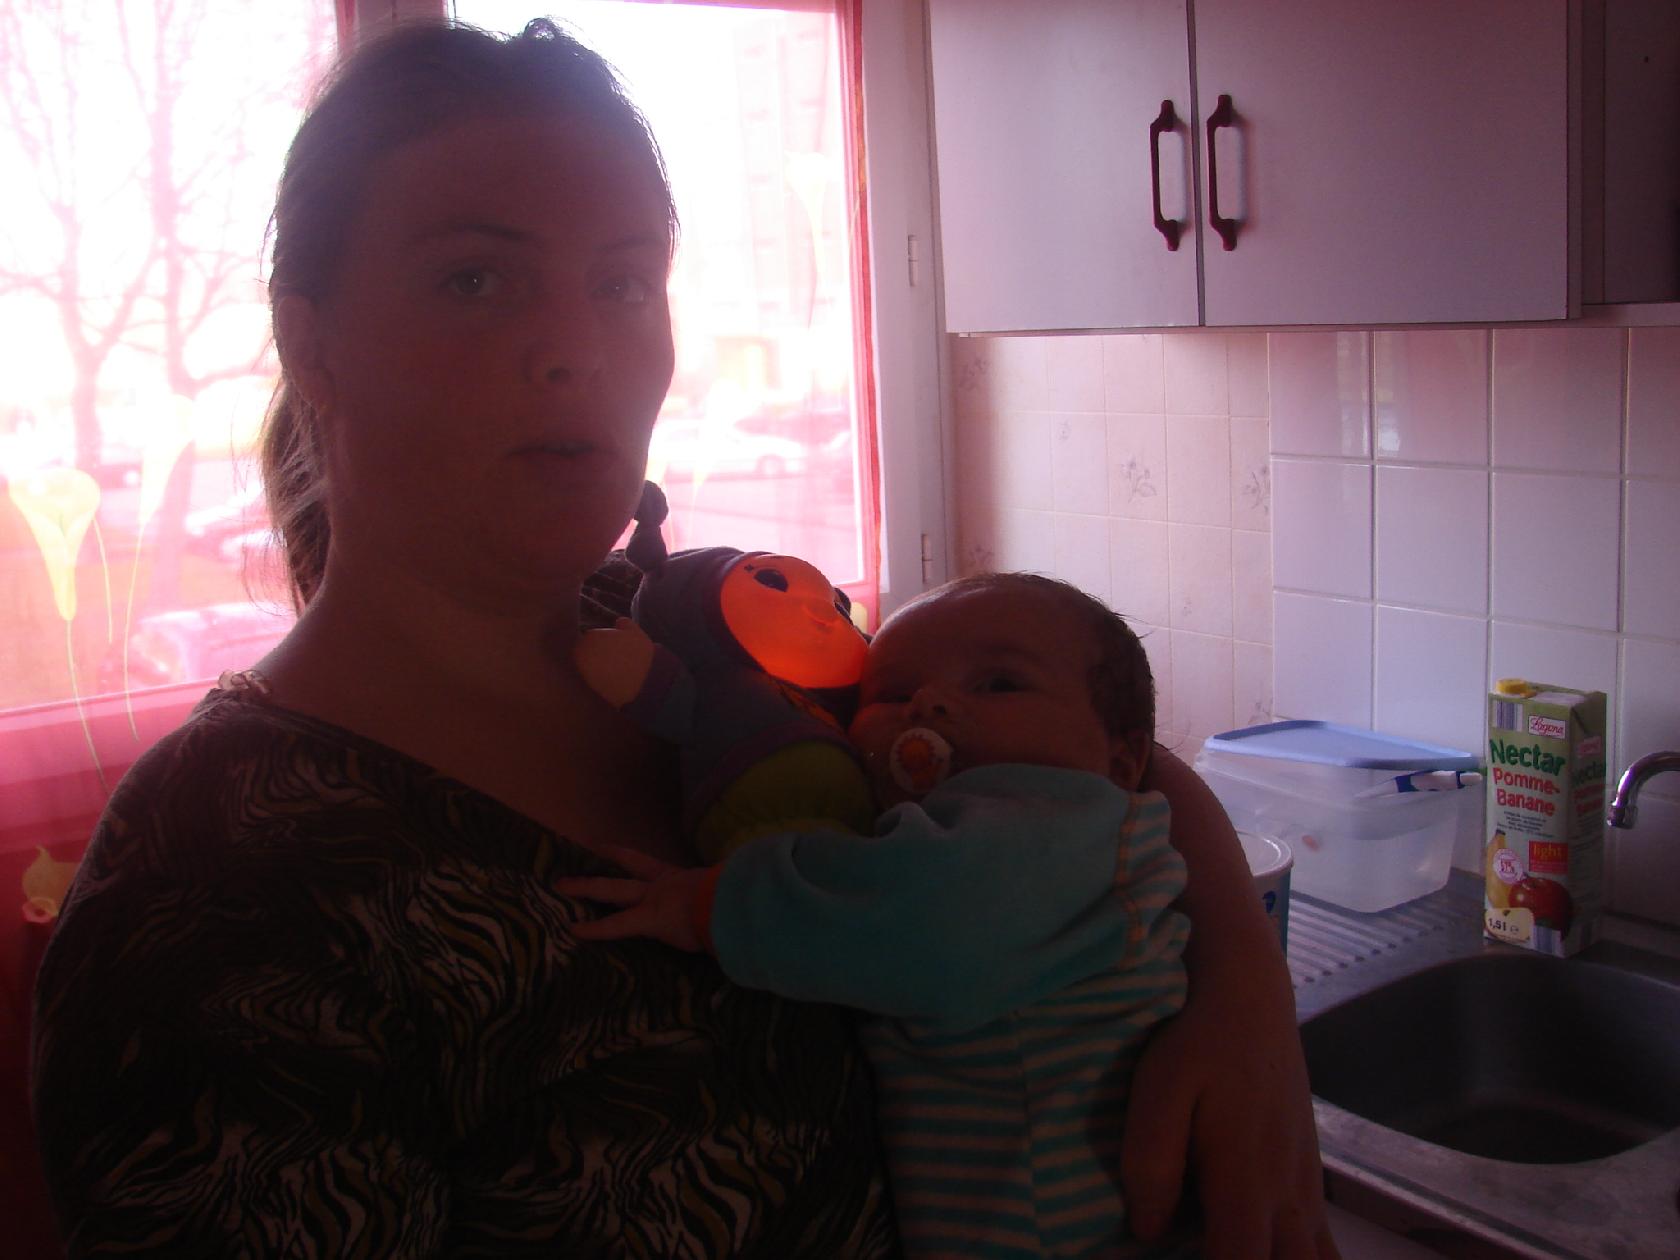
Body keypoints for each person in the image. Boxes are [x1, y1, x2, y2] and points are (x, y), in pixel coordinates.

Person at [30, 17, 1338, 1260]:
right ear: (309, 339)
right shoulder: (215, 877)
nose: (574, 350)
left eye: (621, 283)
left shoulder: (696, 638)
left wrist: (1245, 1000)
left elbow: (1057, 750)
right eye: (475, 279)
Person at [561, 571, 1199, 1257]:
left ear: (1122, 761)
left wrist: (708, 903)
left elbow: (923, 925)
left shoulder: (1054, 828)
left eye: (999, 684)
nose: (928, 703)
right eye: (892, 694)